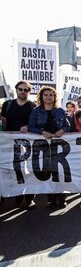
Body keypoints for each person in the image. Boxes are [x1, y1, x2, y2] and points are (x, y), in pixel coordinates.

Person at [28, 86, 70, 209]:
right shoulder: (36, 111)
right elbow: (31, 127)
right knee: (46, 172)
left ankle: (60, 198)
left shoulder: (60, 111)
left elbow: (67, 125)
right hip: (42, 147)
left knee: (59, 172)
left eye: (51, 95)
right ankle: (51, 198)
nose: (48, 97)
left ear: (54, 97)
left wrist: (62, 130)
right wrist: (42, 133)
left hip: (59, 147)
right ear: (41, 96)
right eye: (45, 95)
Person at [1, 80, 37, 209]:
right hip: (9, 144)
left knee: (28, 170)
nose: (23, 92)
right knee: (12, 169)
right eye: (20, 89)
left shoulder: (33, 106)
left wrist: (27, 126)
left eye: (26, 90)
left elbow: (36, 124)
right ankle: (17, 194)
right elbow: (4, 122)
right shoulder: (7, 105)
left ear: (29, 92)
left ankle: (29, 198)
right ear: (16, 90)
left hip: (27, 144)